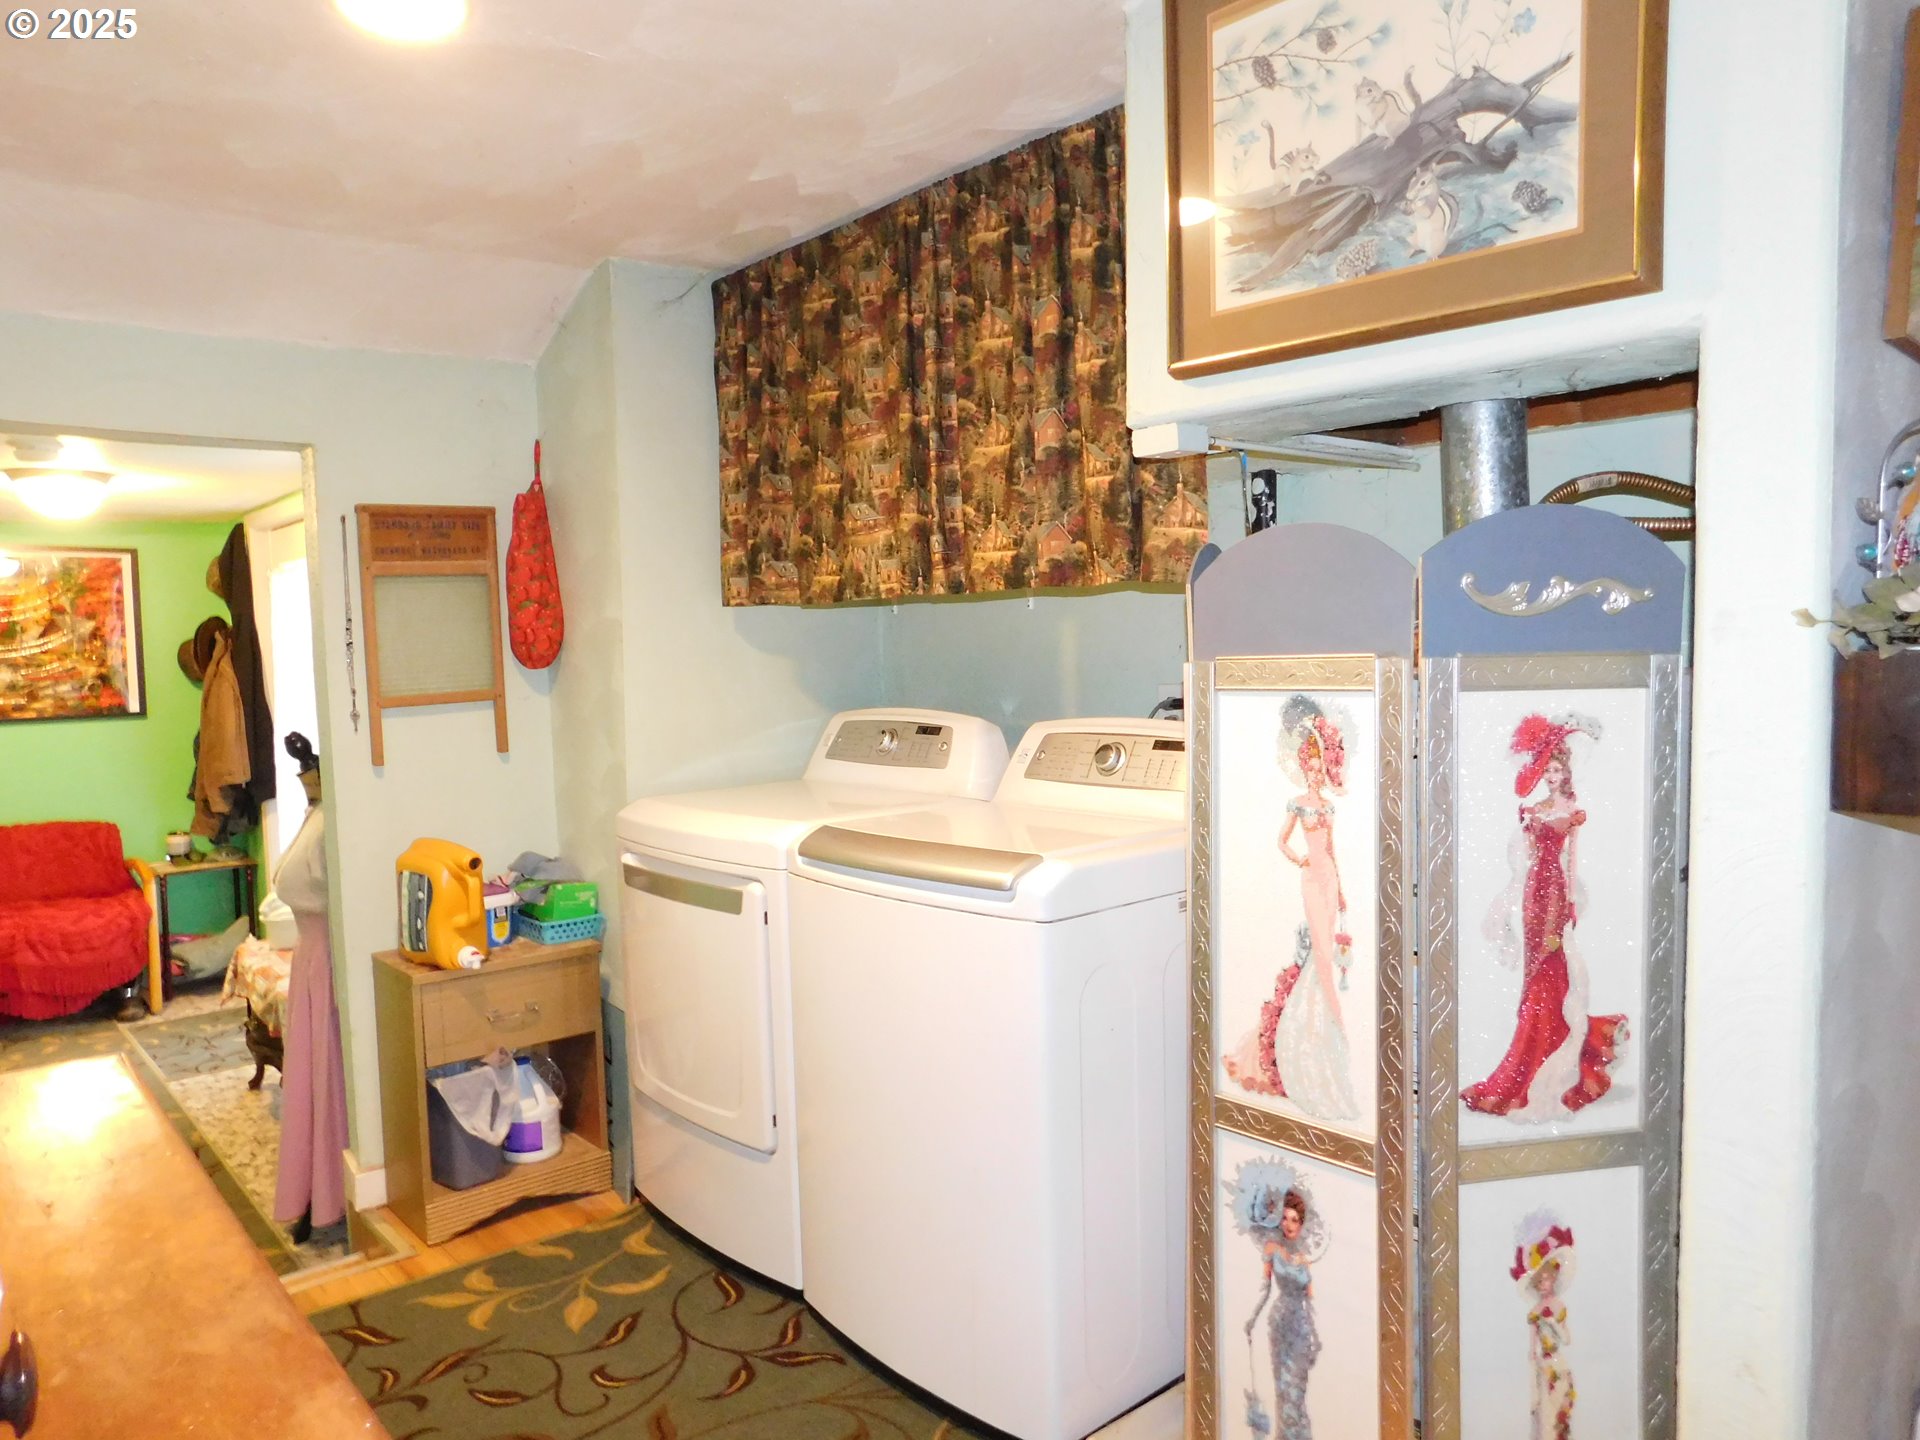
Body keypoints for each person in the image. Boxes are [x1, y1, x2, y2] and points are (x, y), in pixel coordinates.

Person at [1462, 714, 1625, 1119]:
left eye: (1557, 770)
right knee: (1533, 976)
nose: (1551, 777)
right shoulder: (1535, 808)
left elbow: (1571, 861)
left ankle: (1548, 1057)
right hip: (1534, 893)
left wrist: (1567, 910)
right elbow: (1524, 858)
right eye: (1547, 770)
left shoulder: (1571, 810)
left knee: (1552, 976)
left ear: (1567, 772)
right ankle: (1526, 1055)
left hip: (1554, 893)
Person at [272, 731, 350, 1244]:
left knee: (328, 1076)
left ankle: (334, 1191)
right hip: (309, 961)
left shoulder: (338, 817)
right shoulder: (316, 812)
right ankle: (313, 1188)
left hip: (327, 962)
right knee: (311, 1077)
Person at [1269, 698, 1358, 1121]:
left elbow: (1334, 847)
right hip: (1310, 876)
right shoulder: (1298, 804)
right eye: (1312, 768)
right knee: (1321, 944)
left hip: (1329, 878)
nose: (1317, 774)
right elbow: (1282, 841)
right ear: (1304, 768)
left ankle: (1327, 1006)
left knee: (1330, 941)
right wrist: (1299, 860)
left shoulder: (1327, 807)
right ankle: (1330, 1011)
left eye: (1321, 768)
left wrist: (1340, 889)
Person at [1240, 1176, 1325, 1440]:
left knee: (1297, 1388)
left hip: (1301, 1324)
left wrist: (1315, 1337)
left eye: (1295, 1220)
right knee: (1282, 1386)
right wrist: (1252, 1318)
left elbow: (1311, 1303)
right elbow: (1264, 1290)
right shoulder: (1272, 1248)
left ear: (1302, 1225)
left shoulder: (1304, 1260)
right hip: (1279, 1322)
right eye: (1285, 1218)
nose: (1289, 1225)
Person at [1512, 1214, 1577, 1440]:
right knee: (1543, 1416)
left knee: (1558, 1411)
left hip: (1557, 1363)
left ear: (1553, 1278)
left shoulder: (1557, 1306)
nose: (1542, 1285)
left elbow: (1566, 1339)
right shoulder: (1535, 1312)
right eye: (1539, 1282)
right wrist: (1532, 1370)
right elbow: (1532, 1348)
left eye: (1546, 1280)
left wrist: (1552, 1322)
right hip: (1542, 1366)